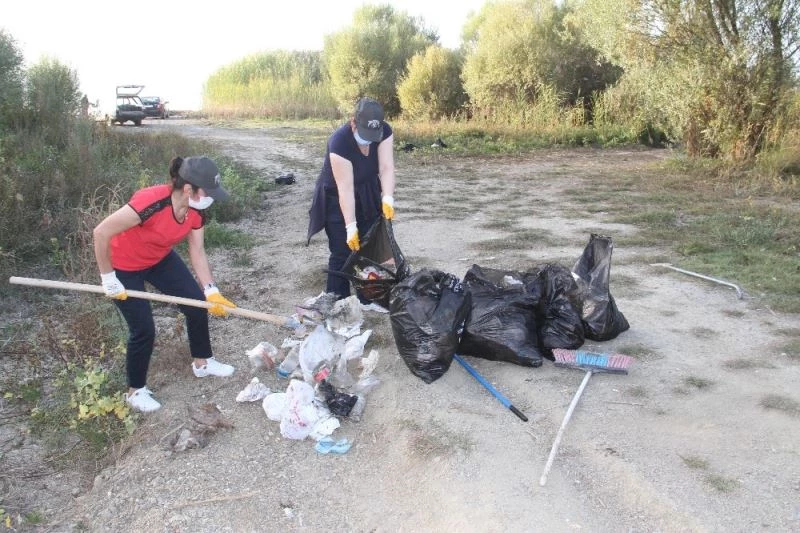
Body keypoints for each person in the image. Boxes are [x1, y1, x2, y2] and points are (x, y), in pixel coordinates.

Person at [93, 156, 238, 413]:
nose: (211, 198)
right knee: (144, 329)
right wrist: (108, 277)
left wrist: (211, 290)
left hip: (159, 258)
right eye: (208, 191)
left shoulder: (196, 210)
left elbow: (198, 250)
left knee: (196, 304)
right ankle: (135, 391)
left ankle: (202, 362)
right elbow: (101, 232)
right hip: (124, 266)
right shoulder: (151, 202)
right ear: (188, 189)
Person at [307, 96, 396, 300]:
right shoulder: (339, 142)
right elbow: (345, 188)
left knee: (369, 247)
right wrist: (350, 227)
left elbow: (386, 167)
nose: (368, 141)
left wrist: (388, 197)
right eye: (365, 134)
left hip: (367, 191)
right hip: (335, 196)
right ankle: (337, 300)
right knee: (342, 250)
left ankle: (369, 298)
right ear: (353, 122)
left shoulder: (384, 132)